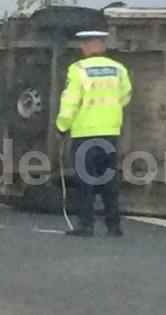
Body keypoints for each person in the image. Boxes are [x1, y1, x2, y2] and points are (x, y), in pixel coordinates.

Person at [56, 30, 132, 237]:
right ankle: (113, 225)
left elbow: (70, 102)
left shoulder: (77, 69)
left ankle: (86, 224)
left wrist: (62, 126)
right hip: (110, 131)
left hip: (85, 132)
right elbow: (126, 96)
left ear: (85, 46)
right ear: (103, 46)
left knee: (85, 180)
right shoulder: (118, 69)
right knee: (109, 179)